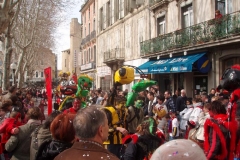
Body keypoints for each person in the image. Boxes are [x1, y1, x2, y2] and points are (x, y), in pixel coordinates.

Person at [54, 106, 119, 160]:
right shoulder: (111, 158)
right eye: (107, 124)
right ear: (100, 130)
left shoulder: (60, 157)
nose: (108, 128)